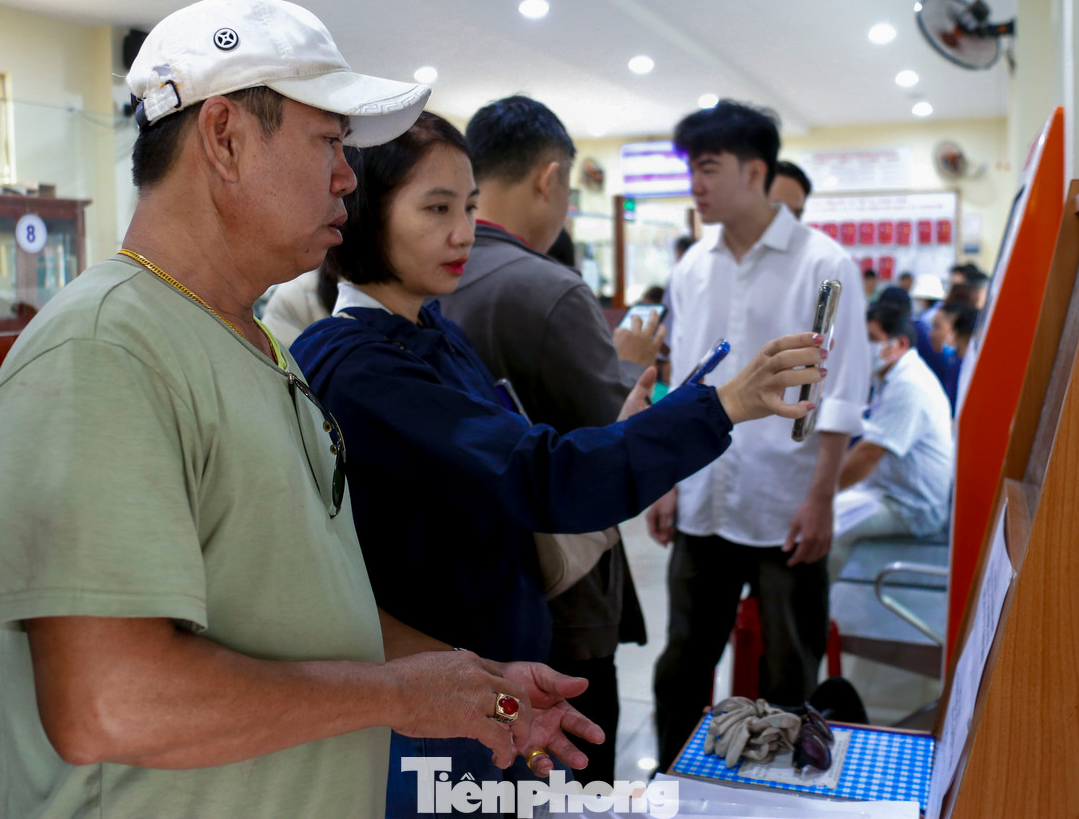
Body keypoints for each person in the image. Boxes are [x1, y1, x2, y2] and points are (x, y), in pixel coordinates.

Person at [0, 0, 596, 819]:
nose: (348, 177)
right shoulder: (103, 352)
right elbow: (108, 703)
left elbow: (307, 605)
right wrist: (394, 697)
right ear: (225, 137)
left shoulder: (257, 342)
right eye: (330, 142)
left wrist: (464, 679)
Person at [290, 112, 827, 812]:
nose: (463, 232)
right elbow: (541, 474)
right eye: (437, 208)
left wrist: (635, 427)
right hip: (432, 696)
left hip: (489, 674)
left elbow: (521, 456)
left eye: (469, 206)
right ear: (361, 211)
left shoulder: (428, 332)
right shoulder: (360, 366)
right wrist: (719, 406)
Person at [438, 95, 654, 785]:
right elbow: (617, 448)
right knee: (570, 776)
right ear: (550, 177)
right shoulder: (551, 290)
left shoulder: (422, 280)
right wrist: (626, 362)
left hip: (452, 590)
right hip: (560, 595)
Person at [649, 100, 869, 771]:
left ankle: (778, 796)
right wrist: (664, 479)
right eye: (692, 169)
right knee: (683, 661)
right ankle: (674, 783)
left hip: (786, 503)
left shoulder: (824, 264)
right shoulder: (692, 268)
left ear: (755, 170)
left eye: (709, 168)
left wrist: (823, 495)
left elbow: (843, 393)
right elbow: (683, 385)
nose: (697, 184)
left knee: (789, 667)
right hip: (705, 497)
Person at [828, 302, 954, 580]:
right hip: (886, 489)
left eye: (871, 340)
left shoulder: (909, 386)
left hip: (910, 506)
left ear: (899, 344)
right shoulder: (889, 376)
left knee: (827, 526)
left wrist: (823, 493)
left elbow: (869, 453)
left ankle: (810, 615)